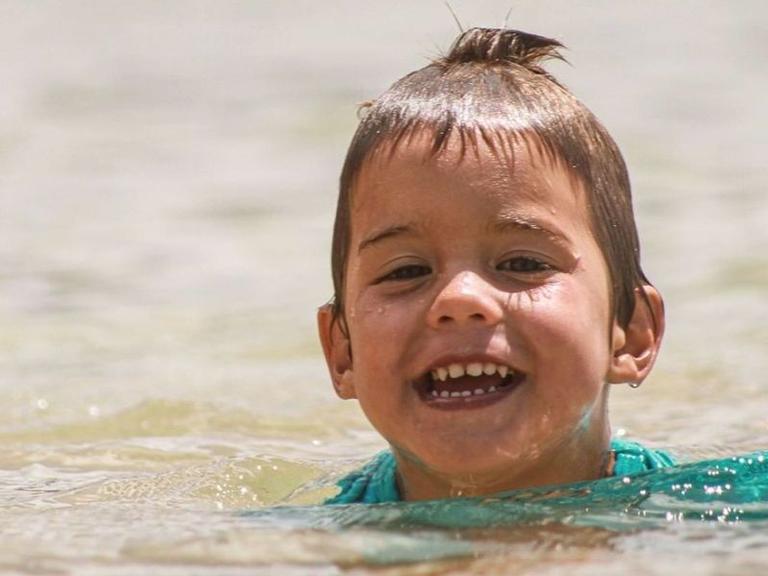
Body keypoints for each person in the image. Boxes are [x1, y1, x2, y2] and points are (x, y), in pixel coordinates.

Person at [317, 27, 674, 504]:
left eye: (523, 262)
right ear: (343, 354)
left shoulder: (705, 517)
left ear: (631, 332)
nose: (459, 299)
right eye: (405, 271)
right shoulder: (309, 544)